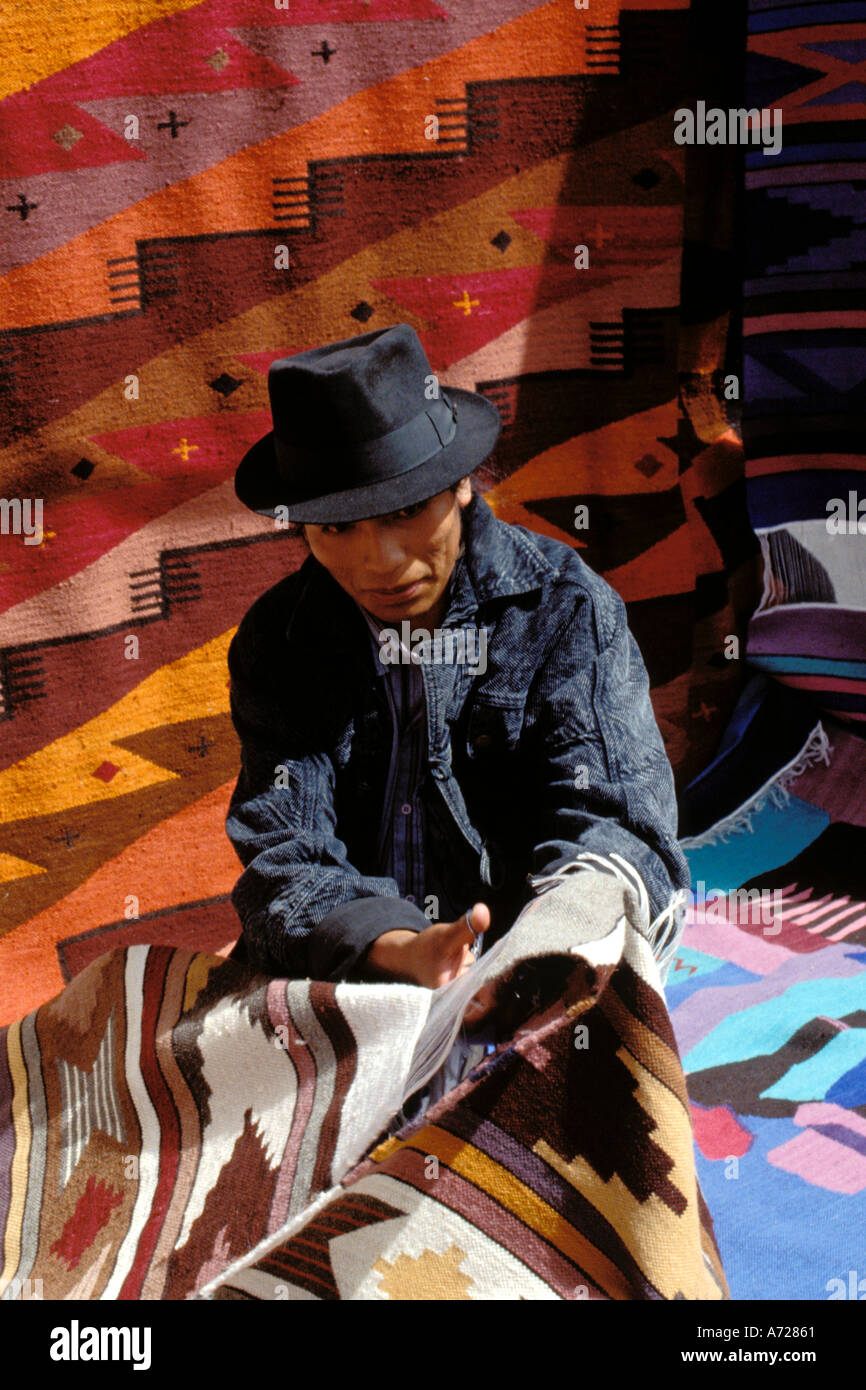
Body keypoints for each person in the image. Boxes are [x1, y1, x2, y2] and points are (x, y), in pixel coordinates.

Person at [225, 323, 691, 1067]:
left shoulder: (566, 609)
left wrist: (535, 954)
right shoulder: (279, 641)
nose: (381, 560)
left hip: (528, 968)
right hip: (351, 973)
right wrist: (398, 948)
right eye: (338, 527)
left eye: (407, 511)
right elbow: (284, 849)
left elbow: (618, 827)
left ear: (461, 483)